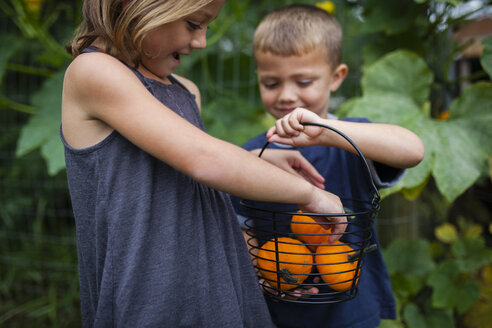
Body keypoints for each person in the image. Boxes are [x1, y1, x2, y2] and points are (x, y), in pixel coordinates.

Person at [60, 0, 350, 327]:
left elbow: (186, 179)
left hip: (218, 288)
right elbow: (204, 160)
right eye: (195, 24)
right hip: (150, 294)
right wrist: (308, 194)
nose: (201, 42)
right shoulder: (95, 72)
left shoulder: (186, 91)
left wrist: (256, 160)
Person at [231, 4, 425, 328]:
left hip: (353, 312)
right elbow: (242, 225)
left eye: (304, 81)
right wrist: (255, 269)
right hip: (277, 313)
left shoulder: (353, 141)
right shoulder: (254, 152)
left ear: (336, 78)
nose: (286, 95)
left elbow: (412, 149)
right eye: (270, 83)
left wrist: (328, 133)